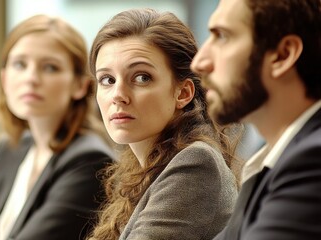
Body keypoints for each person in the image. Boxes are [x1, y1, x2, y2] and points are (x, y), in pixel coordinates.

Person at [87, 9, 240, 240]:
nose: (118, 95)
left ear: (183, 93)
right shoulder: (141, 168)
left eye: (141, 77)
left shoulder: (196, 163)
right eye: (107, 80)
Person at [0, 14, 114, 240]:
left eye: (50, 68)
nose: (30, 78)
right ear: (4, 78)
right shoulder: (9, 149)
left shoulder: (89, 160)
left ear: (80, 85)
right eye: (20, 64)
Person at [191, 0, 321, 239]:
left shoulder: (312, 161)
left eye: (221, 36)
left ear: (282, 55)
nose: (198, 63)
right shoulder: (276, 161)